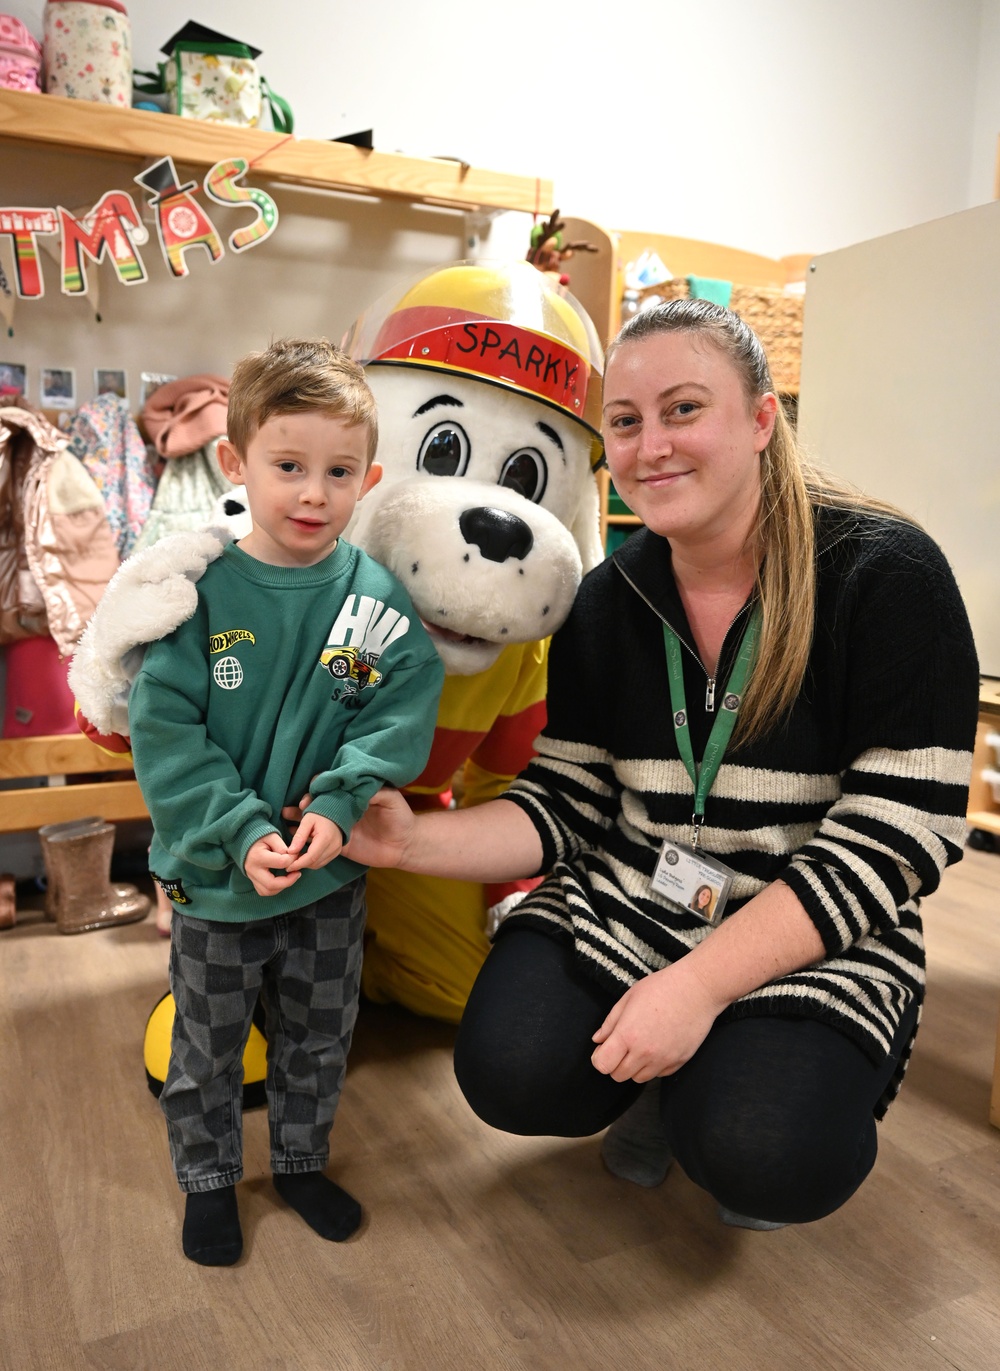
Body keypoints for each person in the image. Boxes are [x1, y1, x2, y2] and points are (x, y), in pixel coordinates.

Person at [336, 299, 980, 1231]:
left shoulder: (884, 573)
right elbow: (565, 803)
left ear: (762, 419)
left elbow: (903, 832)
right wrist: (404, 843)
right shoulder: (609, 597)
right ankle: (670, 1081)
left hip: (810, 927)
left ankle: (712, 1088)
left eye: (684, 409)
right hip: (635, 899)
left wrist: (696, 986)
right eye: (627, 422)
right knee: (506, 1071)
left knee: (765, 1151)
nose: (653, 446)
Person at [126, 338, 444, 1266]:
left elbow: (394, 716)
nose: (314, 492)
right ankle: (209, 1179)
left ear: (368, 478)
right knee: (208, 1046)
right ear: (237, 463)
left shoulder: (378, 598)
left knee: (318, 1035)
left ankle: (300, 1162)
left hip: (328, 882)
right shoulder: (196, 594)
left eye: (338, 471)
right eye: (290, 466)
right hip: (218, 884)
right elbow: (168, 733)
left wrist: (341, 804)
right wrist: (237, 828)